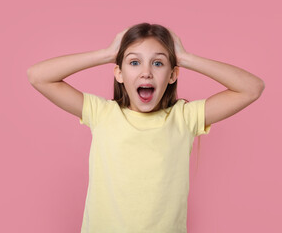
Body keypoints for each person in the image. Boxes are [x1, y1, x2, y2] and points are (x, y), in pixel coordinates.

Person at [27, 22, 264, 233]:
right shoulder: (102, 114)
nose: (146, 72)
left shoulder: (184, 117)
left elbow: (252, 88)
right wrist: (107, 53)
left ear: (172, 75)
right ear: (119, 73)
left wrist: (185, 57)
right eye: (134, 62)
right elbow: (38, 76)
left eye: (158, 63)